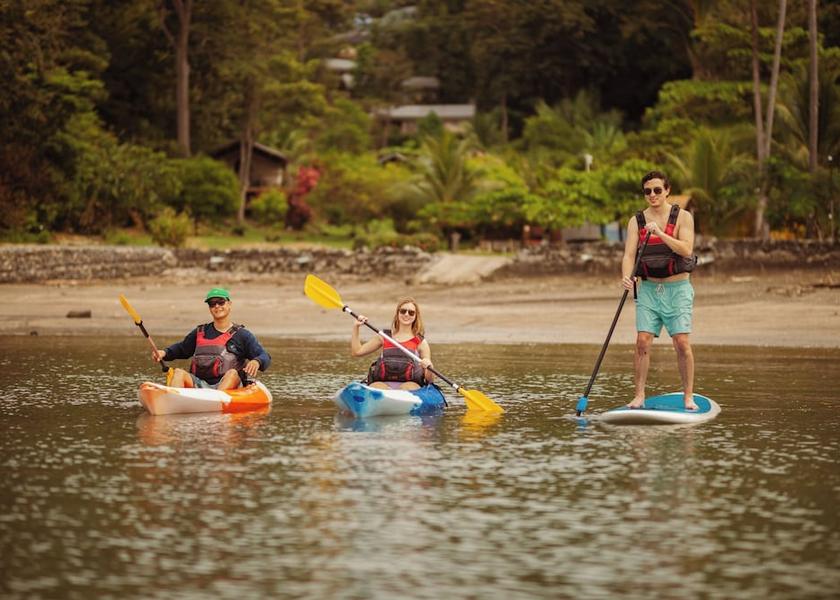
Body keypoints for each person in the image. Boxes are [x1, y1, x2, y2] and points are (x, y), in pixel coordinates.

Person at [621, 171, 698, 410]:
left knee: (681, 342)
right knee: (642, 340)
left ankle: (688, 397)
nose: (652, 195)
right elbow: (629, 255)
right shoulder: (637, 221)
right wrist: (627, 277)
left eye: (657, 190)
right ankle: (639, 396)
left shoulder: (683, 217)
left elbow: (686, 249)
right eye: (647, 191)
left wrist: (660, 233)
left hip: (678, 289)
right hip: (649, 289)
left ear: (667, 191)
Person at [152, 287, 271, 390]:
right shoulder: (200, 332)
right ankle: (172, 401)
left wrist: (257, 361)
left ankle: (216, 401)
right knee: (178, 373)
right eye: (212, 303)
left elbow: (264, 356)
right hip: (200, 384)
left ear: (229, 304)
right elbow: (182, 349)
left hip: (228, 385)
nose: (217, 306)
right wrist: (164, 353)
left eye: (221, 302)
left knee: (232, 373)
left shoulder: (242, 335)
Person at [351, 297, 435, 390]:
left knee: (407, 387)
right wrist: (356, 327)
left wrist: (429, 367)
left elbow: (429, 380)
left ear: (415, 316)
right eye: (403, 311)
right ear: (398, 313)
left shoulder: (420, 342)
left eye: (411, 312)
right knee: (376, 387)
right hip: (382, 385)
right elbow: (357, 352)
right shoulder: (384, 337)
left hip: (410, 386)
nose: (406, 314)